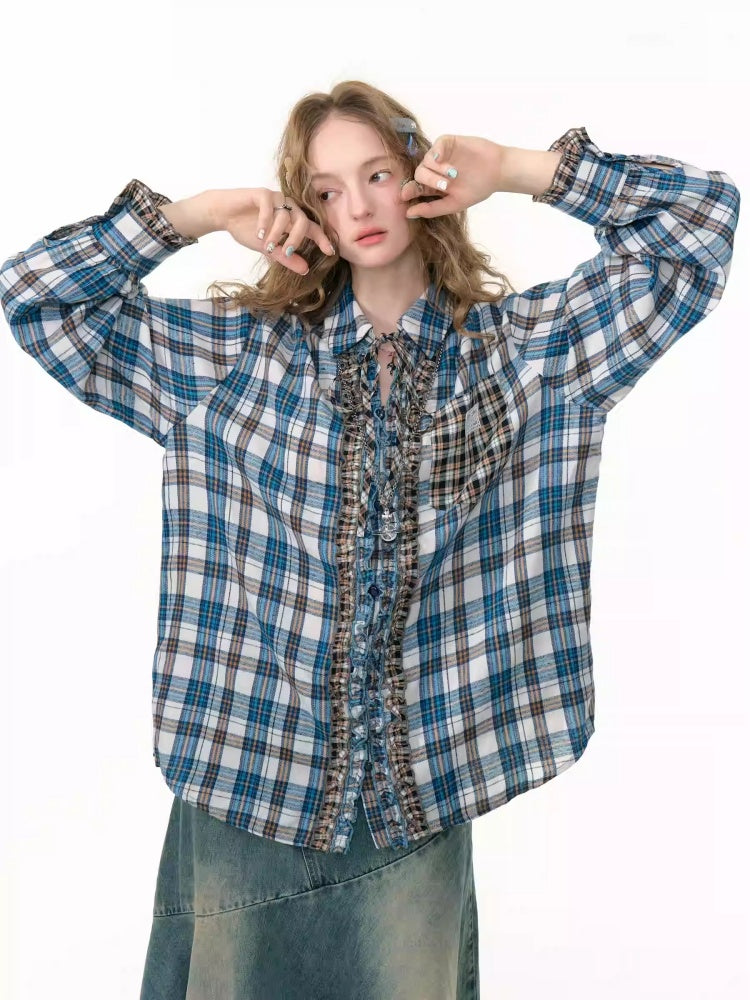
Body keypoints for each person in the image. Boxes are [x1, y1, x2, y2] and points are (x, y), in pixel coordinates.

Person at [0, 79, 740, 999]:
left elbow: (698, 231)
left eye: (378, 173)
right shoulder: (236, 358)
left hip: (418, 798)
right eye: (325, 190)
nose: (356, 206)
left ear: (421, 176)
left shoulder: (529, 354)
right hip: (248, 777)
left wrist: (519, 169)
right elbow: (37, 300)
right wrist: (197, 216)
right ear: (304, 209)